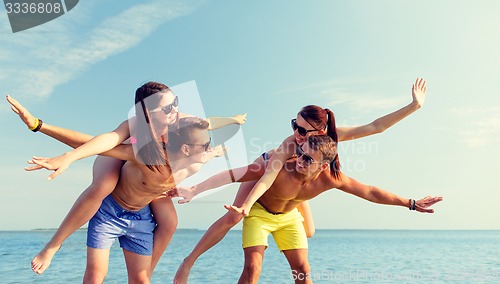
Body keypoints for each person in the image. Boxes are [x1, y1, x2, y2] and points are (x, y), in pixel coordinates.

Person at [173, 78, 429, 283]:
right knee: (236, 216)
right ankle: (189, 262)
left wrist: (414, 106)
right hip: (266, 172)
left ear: (320, 132)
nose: (296, 133)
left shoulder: (332, 146)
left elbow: (375, 128)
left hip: (300, 184)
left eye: (303, 130)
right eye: (295, 125)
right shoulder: (289, 146)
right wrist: (204, 192)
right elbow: (261, 177)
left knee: (308, 232)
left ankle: (282, 213)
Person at [6, 82, 247, 276]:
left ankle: (145, 273)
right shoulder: (136, 127)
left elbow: (207, 124)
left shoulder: (179, 121)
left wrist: (232, 120)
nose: (174, 110)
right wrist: (58, 144)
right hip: (117, 156)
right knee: (104, 185)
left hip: (151, 173)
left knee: (170, 221)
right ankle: (53, 245)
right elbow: (103, 142)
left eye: (175, 103)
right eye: (166, 108)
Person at [174, 135, 443, 284]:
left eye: (308, 159)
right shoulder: (279, 167)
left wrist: (410, 203)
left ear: (323, 166)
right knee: (253, 267)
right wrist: (194, 190)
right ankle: (188, 262)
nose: (300, 160)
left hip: (290, 217)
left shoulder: (332, 179)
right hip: (259, 213)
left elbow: (370, 192)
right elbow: (234, 173)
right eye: (300, 153)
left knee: (303, 270)